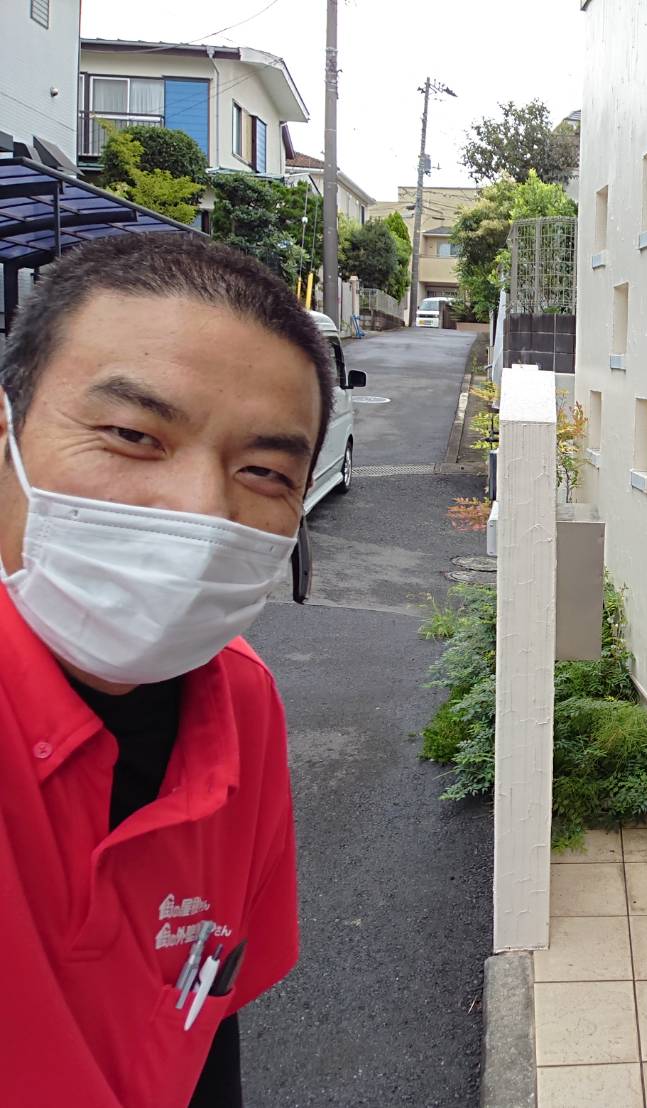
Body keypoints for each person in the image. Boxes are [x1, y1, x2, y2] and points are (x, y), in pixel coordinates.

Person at [0, 233, 334, 1106]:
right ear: (6, 435)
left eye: (263, 471)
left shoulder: (240, 702)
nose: (199, 509)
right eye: (131, 435)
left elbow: (200, 1010)